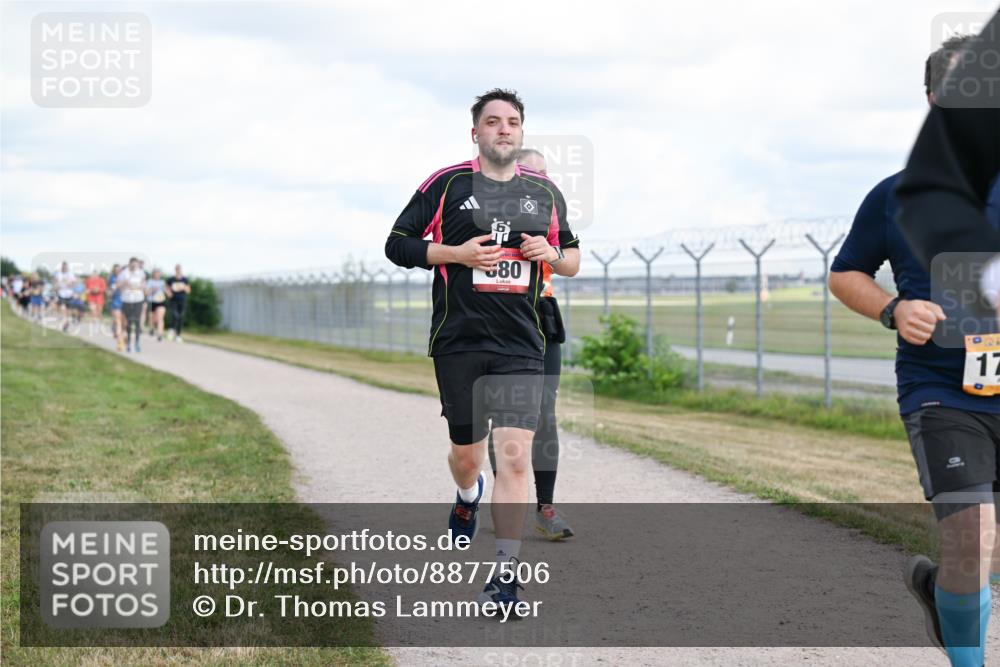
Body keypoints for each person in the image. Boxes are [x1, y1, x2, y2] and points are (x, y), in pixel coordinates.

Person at [831, 32, 1000, 667]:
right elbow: (845, 273)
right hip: (941, 390)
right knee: (972, 537)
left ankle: (937, 590)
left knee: (985, 552)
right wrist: (894, 308)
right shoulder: (895, 195)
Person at [385, 89, 581, 610]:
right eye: (492, 122)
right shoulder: (446, 183)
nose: (503, 129)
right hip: (460, 340)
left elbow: (574, 257)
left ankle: (505, 574)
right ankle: (466, 497)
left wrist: (553, 254)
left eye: (512, 122)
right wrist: (458, 253)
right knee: (468, 457)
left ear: (521, 133)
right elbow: (397, 243)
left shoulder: (544, 191)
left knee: (514, 459)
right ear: (476, 132)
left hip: (522, 343)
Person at [487, 147, 574, 541]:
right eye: (530, 173)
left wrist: (552, 252)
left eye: (545, 174)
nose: (540, 181)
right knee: (502, 419)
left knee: (544, 414)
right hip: (498, 319)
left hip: (542, 317)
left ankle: (546, 506)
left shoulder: (551, 214)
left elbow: (570, 262)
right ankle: (504, 492)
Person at [118, 258, 146, 353]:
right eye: (133, 265)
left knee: (137, 321)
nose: (134, 266)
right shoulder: (123, 273)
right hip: (127, 299)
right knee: (128, 322)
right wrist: (124, 283)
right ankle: (128, 343)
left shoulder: (141, 273)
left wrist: (141, 286)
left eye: (136, 265)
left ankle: (137, 343)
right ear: (129, 264)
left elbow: (143, 284)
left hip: (138, 299)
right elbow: (118, 285)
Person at [165, 264, 191, 343]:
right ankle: (171, 329)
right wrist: (168, 293)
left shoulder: (185, 279)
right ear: (175, 270)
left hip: (182, 300)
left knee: (181, 317)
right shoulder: (171, 279)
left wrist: (184, 287)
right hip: (173, 300)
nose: (178, 271)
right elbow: (167, 288)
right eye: (177, 269)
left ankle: (178, 336)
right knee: (175, 315)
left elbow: (188, 290)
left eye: (179, 269)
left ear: (181, 270)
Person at [53, 261, 76, 332]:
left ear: (67, 267)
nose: (65, 268)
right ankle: (63, 322)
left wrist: (66, 282)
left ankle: (66, 323)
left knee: (68, 311)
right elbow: (56, 284)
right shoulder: (58, 274)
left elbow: (72, 285)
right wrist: (56, 287)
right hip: (61, 294)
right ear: (62, 267)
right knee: (62, 308)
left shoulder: (71, 275)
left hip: (69, 294)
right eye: (63, 267)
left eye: (66, 267)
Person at [146, 269, 168, 341]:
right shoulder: (149, 282)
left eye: (159, 274)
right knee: (152, 318)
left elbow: (167, 291)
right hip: (152, 301)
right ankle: (152, 328)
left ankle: (160, 334)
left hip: (161, 301)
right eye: (156, 273)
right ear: (153, 274)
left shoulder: (162, 282)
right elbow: (146, 293)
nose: (157, 275)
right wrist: (153, 289)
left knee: (160, 318)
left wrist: (168, 292)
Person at [107, 263, 125, 351]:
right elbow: (110, 292)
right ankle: (120, 343)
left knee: (124, 323)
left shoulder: (126, 278)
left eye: (119, 269)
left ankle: (116, 330)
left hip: (126, 302)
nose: (118, 271)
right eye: (116, 270)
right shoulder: (112, 279)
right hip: (116, 302)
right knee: (118, 322)